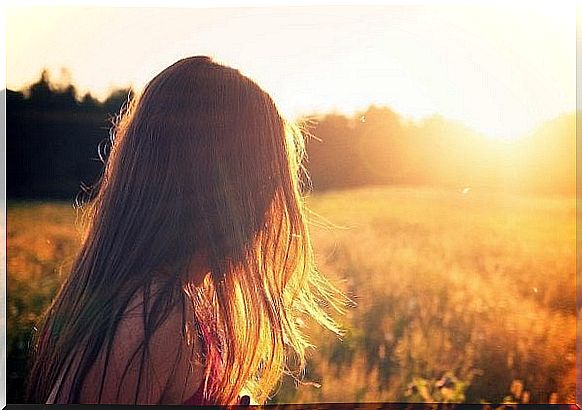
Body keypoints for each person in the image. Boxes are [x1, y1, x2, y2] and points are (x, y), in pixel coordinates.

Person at [26, 56, 345, 405]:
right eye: (268, 183)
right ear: (231, 193)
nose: (270, 211)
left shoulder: (171, 303)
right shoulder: (153, 317)